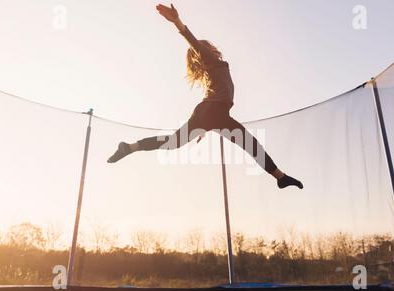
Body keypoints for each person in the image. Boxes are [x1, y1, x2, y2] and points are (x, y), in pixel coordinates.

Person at [108, 4, 303, 190]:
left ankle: (129, 147)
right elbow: (192, 42)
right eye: (208, 48)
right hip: (213, 113)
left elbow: (210, 99)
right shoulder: (211, 60)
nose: (213, 49)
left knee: (173, 143)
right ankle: (280, 177)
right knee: (249, 143)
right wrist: (177, 22)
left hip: (210, 113)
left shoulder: (215, 69)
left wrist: (203, 126)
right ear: (206, 52)